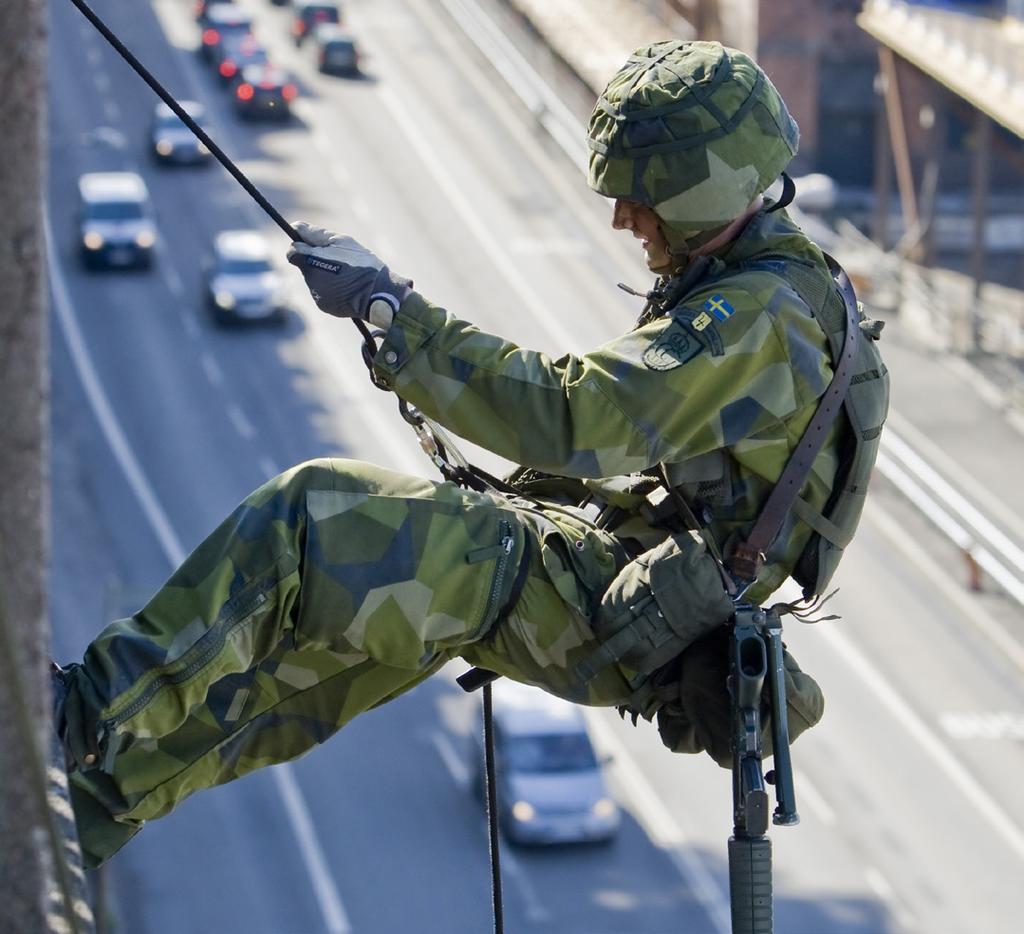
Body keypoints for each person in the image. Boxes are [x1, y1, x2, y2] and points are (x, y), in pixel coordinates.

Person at [54, 40, 887, 869]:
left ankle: (81, 715)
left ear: (704, 188)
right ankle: (87, 805)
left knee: (309, 519)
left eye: (643, 197)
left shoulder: (758, 320)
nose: (624, 219)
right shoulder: (781, 282)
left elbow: (575, 415)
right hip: (646, 599)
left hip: (629, 610)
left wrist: (392, 312)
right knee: (323, 644)